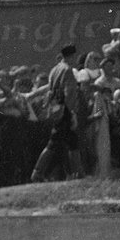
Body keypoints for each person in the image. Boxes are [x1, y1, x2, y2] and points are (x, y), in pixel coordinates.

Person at [30, 44, 83, 183]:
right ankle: (37, 172)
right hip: (64, 110)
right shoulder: (68, 70)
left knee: (73, 142)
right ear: (71, 56)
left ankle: (78, 173)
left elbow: (50, 89)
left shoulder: (55, 69)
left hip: (55, 108)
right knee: (53, 143)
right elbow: (70, 93)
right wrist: (72, 113)